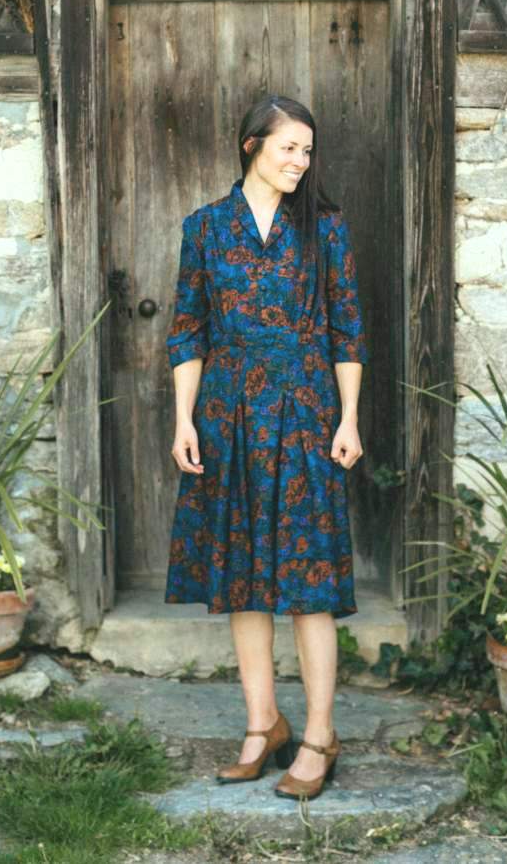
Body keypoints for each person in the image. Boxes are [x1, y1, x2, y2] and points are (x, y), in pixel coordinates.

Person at [164, 95, 368, 800]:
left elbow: (347, 326)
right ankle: (262, 725)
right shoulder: (206, 229)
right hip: (227, 417)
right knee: (245, 579)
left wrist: (349, 418)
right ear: (251, 145)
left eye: (308, 151)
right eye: (289, 147)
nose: (300, 162)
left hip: (308, 411)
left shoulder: (324, 229)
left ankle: (319, 735)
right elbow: (188, 328)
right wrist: (184, 420)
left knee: (308, 585)